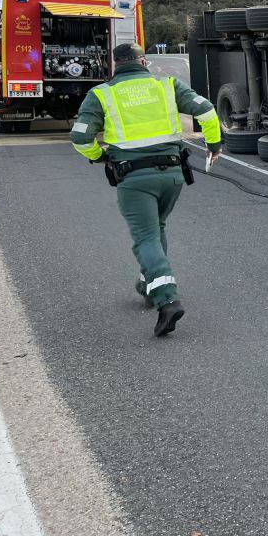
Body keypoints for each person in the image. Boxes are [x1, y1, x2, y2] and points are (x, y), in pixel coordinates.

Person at [70, 43, 222, 336]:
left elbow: (79, 137)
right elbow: (205, 111)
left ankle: (167, 299)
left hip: (135, 178)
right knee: (157, 228)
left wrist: (99, 155)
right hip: (173, 174)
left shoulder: (101, 93)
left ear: (114, 65)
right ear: (143, 61)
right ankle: (147, 283)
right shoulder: (167, 85)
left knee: (146, 237)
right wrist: (213, 144)